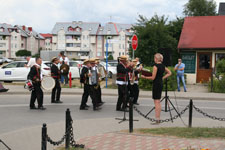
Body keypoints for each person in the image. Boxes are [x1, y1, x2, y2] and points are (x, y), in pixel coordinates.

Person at [141, 53, 171, 124]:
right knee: (158, 101)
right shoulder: (163, 66)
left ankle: (157, 119)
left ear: (156, 59)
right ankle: (158, 118)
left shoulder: (155, 66)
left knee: (156, 102)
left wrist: (144, 77)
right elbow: (169, 73)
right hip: (160, 83)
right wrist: (162, 78)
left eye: (154, 58)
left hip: (156, 84)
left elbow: (153, 77)